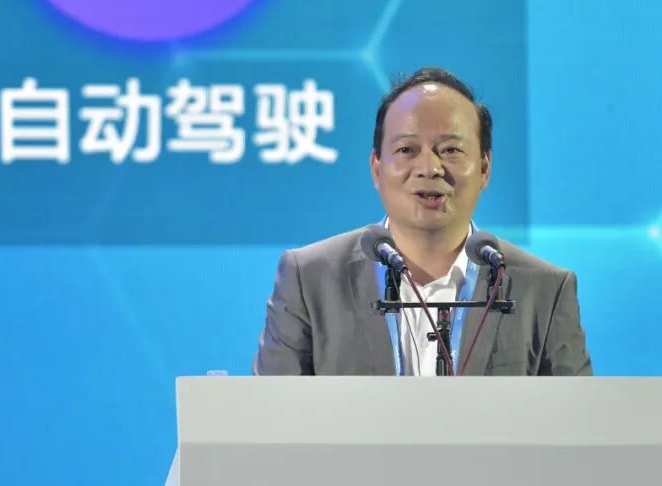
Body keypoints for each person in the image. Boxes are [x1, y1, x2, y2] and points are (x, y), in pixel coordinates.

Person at [254, 66, 592, 376]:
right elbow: (271, 414)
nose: (429, 168)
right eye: (406, 150)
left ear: (484, 168)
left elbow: (579, 418)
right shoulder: (309, 280)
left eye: (451, 150)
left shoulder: (546, 290)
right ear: (376, 167)